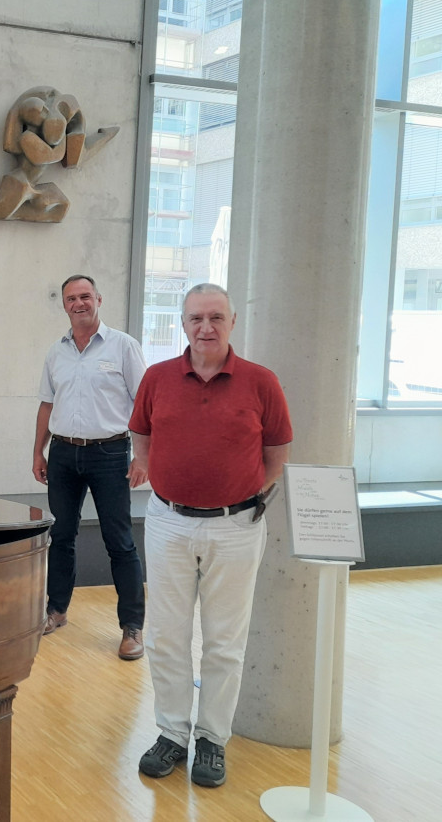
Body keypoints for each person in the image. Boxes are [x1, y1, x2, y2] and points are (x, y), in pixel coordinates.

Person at [128, 283, 292, 788]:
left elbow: (277, 453)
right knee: (165, 636)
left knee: (224, 641)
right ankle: (173, 733)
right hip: (168, 522)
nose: (206, 327)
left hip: (236, 527)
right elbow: (141, 436)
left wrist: (242, 496)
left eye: (216, 317)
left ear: (233, 322)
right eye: (197, 318)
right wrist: (169, 480)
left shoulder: (261, 382)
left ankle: (212, 740)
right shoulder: (157, 378)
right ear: (182, 323)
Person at [32, 275, 147, 659]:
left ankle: (132, 627)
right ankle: (57, 610)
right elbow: (47, 405)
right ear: (63, 304)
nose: (78, 303)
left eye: (85, 296)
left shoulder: (123, 347)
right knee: (61, 536)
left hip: (111, 454)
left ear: (99, 298)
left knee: (120, 541)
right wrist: (38, 451)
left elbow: (147, 406)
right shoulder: (56, 352)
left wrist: (144, 457)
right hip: (64, 454)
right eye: (71, 298)